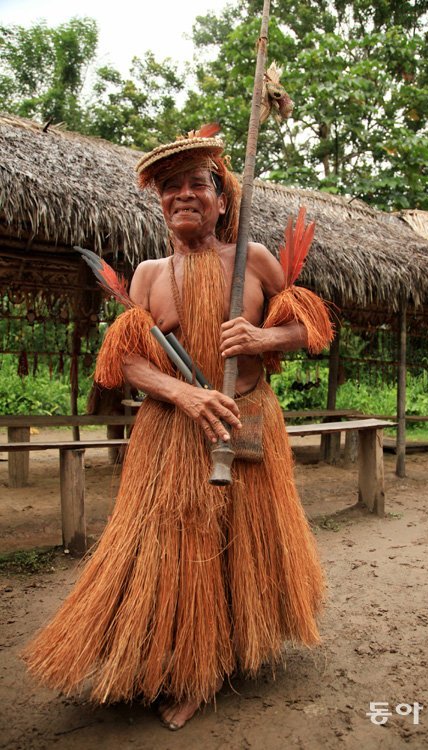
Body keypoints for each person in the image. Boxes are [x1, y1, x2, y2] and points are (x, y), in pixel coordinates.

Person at [23, 126, 333, 730]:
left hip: (248, 420)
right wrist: (183, 392)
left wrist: (265, 335)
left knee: (244, 539)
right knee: (181, 545)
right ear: (159, 202)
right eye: (170, 186)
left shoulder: (257, 260)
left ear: (222, 200)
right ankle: (187, 664)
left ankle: (229, 648)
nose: (182, 194)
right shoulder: (148, 275)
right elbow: (126, 363)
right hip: (170, 435)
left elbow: (311, 328)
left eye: (197, 183)